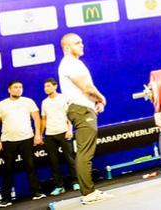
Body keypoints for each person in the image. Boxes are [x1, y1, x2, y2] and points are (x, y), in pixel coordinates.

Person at [58, 33, 112, 205]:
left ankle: (89, 191)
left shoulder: (75, 63)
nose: (82, 45)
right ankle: (88, 193)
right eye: (77, 43)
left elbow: (88, 88)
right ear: (67, 47)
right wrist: (101, 98)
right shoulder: (69, 63)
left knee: (85, 151)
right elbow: (87, 88)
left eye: (82, 41)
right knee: (85, 152)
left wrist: (95, 101)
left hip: (83, 108)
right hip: (80, 110)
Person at [0, 80, 46, 206]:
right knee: (8, 169)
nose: (18, 89)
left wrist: (38, 135)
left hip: (27, 138)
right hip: (8, 141)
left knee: (31, 166)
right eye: (15, 87)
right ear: (9, 90)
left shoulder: (28, 102)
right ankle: (5, 199)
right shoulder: (1, 105)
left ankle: (37, 193)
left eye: (20, 87)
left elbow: (36, 119)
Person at [41, 78, 79, 196]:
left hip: (64, 132)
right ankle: (59, 186)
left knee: (70, 158)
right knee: (53, 162)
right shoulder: (44, 102)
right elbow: (44, 119)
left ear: (55, 86)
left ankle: (76, 181)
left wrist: (70, 130)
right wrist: (40, 134)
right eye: (45, 86)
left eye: (49, 86)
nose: (46, 88)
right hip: (49, 134)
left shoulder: (63, 98)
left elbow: (69, 115)